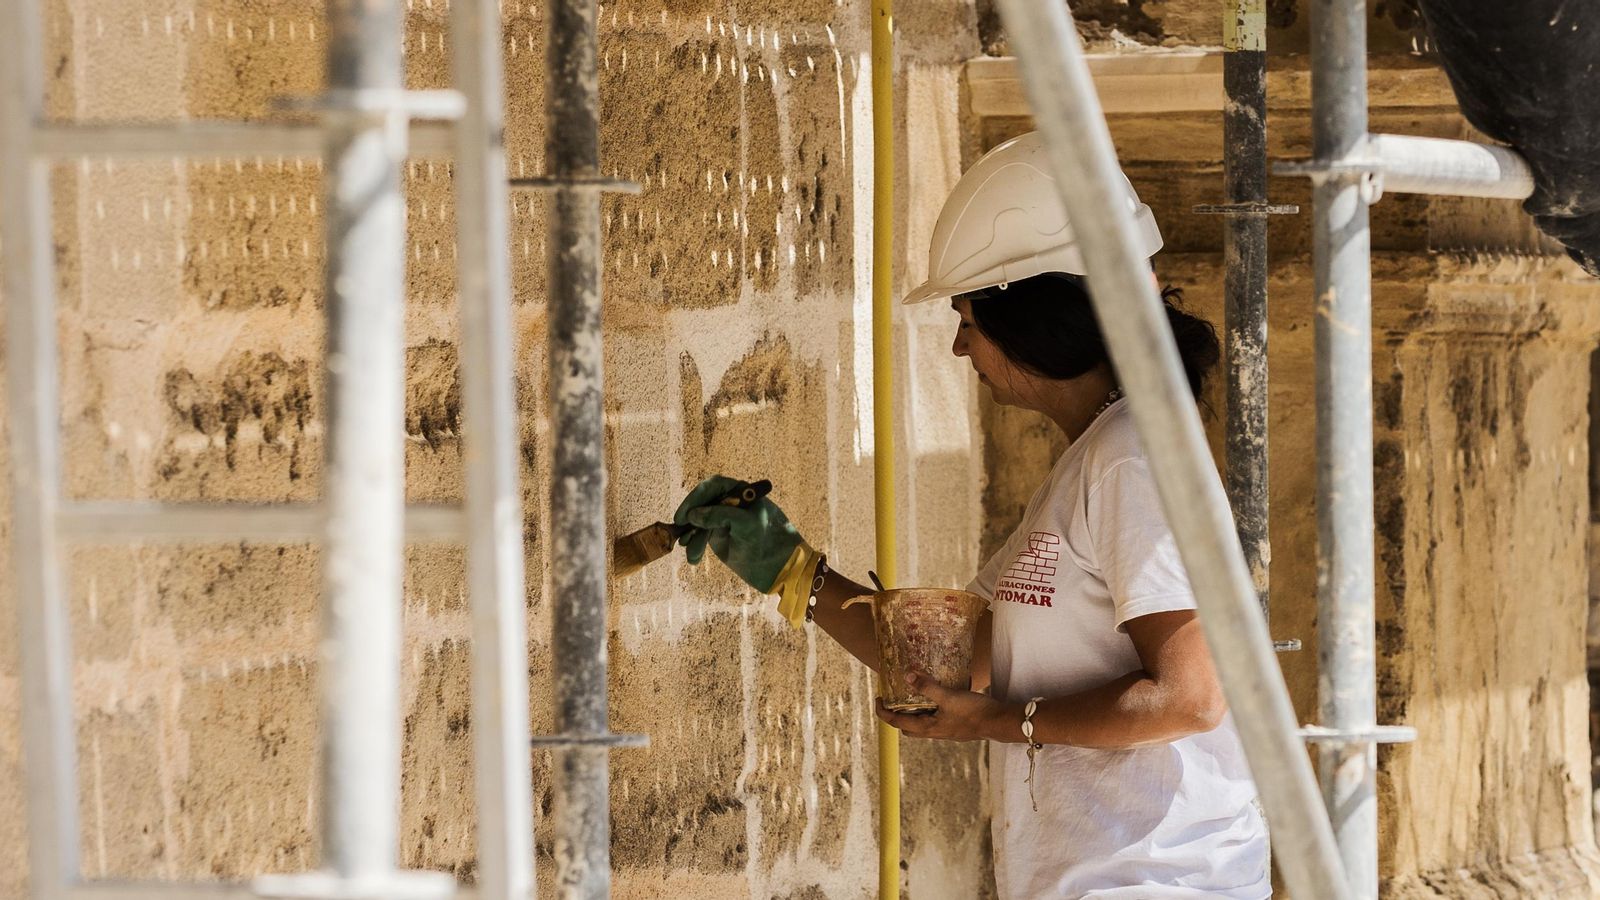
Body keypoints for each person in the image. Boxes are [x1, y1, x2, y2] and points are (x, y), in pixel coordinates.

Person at [673, 132, 1270, 899]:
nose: (959, 347)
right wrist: (796, 573)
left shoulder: (1135, 458)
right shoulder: (1094, 459)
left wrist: (993, 722)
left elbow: (1191, 697)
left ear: (1036, 320)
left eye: (968, 319)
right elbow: (963, 660)